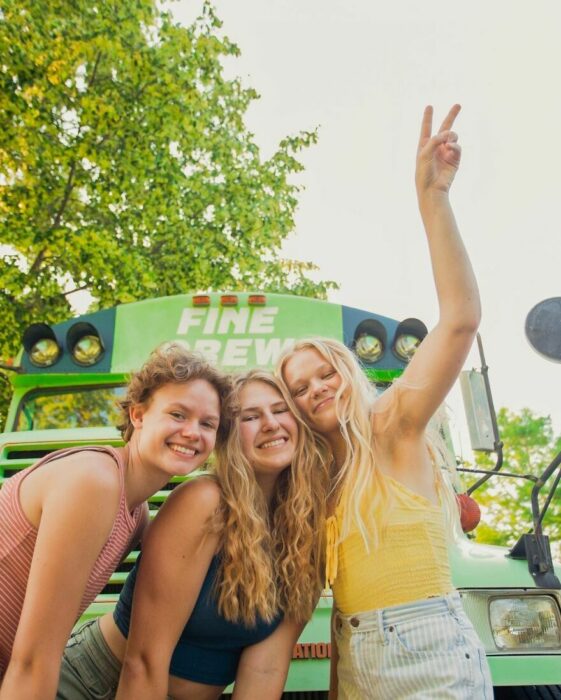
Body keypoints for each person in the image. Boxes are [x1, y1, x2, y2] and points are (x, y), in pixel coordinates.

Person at [278, 105, 493, 698]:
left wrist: (433, 199)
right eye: (298, 388)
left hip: (430, 655)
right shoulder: (322, 475)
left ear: (348, 373)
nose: (314, 389)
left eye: (324, 374)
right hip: (357, 661)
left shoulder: (393, 425)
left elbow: (460, 319)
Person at [56, 370, 327, 700]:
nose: (270, 423)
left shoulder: (309, 529)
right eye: (250, 417)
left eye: (281, 410)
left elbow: (266, 666)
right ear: (227, 436)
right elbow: (143, 661)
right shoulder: (204, 502)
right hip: (95, 685)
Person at [0, 344, 231, 699]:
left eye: (207, 423)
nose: (192, 432)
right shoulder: (94, 482)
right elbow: (33, 660)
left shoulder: (135, 513)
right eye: (178, 414)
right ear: (138, 415)